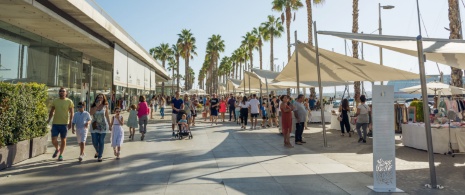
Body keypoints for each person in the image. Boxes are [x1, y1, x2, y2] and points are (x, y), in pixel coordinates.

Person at [47, 87, 74, 161]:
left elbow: (72, 113)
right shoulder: (55, 101)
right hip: (55, 123)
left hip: (64, 124)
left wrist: (71, 123)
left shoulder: (69, 101)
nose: (61, 92)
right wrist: (49, 119)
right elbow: (52, 111)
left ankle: (61, 155)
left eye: (63, 91)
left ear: (66, 93)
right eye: (60, 91)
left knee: (63, 140)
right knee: (53, 139)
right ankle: (57, 148)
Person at [89, 93, 111, 162]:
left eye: (101, 97)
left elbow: (107, 115)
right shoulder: (93, 105)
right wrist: (96, 106)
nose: (100, 98)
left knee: (101, 141)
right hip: (94, 125)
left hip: (103, 125)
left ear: (103, 98)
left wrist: (110, 124)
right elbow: (91, 113)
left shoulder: (105, 106)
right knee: (95, 141)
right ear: (96, 98)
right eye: (98, 97)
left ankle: (100, 156)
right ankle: (98, 151)